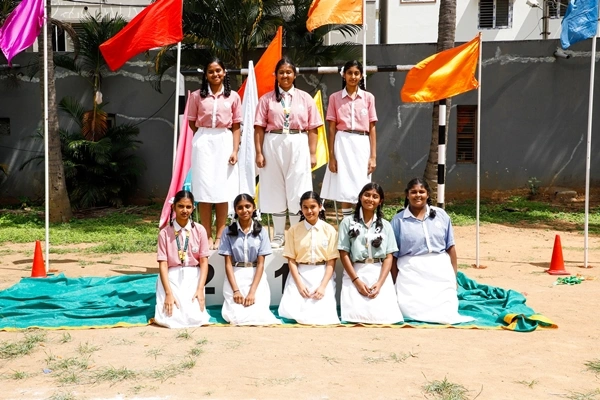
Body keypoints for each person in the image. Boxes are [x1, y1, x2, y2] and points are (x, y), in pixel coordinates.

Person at [254, 57, 323, 248]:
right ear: (275, 75)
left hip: (298, 141)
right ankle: (278, 235)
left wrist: (312, 153)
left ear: (295, 74)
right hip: (273, 141)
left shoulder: (305, 98)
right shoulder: (266, 99)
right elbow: (259, 128)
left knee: (297, 188)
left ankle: (294, 233)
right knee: (274, 186)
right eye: (281, 72)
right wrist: (259, 152)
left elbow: (313, 128)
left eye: (289, 72)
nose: (285, 75)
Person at [391, 178, 474, 325]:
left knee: (446, 311)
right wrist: (396, 282)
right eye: (413, 192)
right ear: (407, 195)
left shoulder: (441, 215)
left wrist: (453, 277)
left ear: (428, 194)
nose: (418, 195)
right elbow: (393, 256)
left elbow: (450, 248)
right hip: (411, 272)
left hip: (440, 269)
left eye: (421, 192)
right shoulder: (398, 220)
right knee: (409, 310)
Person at [188, 57, 242, 250]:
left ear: (224, 72)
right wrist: (204, 137)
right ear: (205, 74)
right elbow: (192, 122)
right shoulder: (196, 96)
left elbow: (236, 125)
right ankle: (206, 235)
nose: (215, 74)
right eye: (211, 71)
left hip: (224, 141)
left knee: (222, 190)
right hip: (204, 140)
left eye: (218, 70)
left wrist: (234, 149)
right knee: (204, 190)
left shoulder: (233, 97)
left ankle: (220, 235)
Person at [338, 183, 403, 324]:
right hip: (356, 271)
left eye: (375, 196)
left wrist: (379, 283)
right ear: (360, 197)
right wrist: (356, 281)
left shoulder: (386, 225)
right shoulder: (347, 222)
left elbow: (389, 256)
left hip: (379, 272)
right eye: (367, 195)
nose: (370, 199)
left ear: (380, 201)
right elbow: (343, 253)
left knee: (386, 317)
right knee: (355, 317)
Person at [321, 60, 377, 218]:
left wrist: (373, 156)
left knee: (362, 183)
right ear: (343, 75)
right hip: (343, 142)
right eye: (350, 73)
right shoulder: (335, 98)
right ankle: (347, 222)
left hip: (362, 143)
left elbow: (372, 127)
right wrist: (331, 156)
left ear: (361, 76)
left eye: (356, 73)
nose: (353, 76)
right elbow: (331, 128)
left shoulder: (368, 98)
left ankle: (362, 221)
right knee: (344, 184)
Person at [218, 194, 281, 325]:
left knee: (259, 315)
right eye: (240, 207)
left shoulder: (262, 231)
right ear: (235, 210)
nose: (244, 210)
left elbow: (261, 264)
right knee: (235, 317)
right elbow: (228, 264)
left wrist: (252, 292)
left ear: (253, 208)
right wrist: (236, 291)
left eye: (248, 206)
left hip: (255, 276)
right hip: (235, 276)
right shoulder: (227, 231)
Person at [278, 191, 340, 325]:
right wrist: (300, 285)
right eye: (305, 207)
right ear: (301, 208)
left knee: (323, 315)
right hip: (300, 274)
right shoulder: (293, 230)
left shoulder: (330, 230)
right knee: (292, 311)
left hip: (322, 274)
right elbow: (291, 260)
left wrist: (323, 286)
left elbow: (331, 261)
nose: (309, 211)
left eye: (313, 207)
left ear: (320, 207)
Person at [155, 190, 212, 328]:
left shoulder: (200, 230)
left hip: (193, 275)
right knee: (170, 319)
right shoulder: (164, 233)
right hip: (171, 276)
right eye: (180, 206)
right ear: (173, 207)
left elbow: (204, 262)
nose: (184, 210)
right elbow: (163, 264)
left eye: (188, 207)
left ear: (193, 208)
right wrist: (168, 293)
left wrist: (200, 289)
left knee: (196, 318)